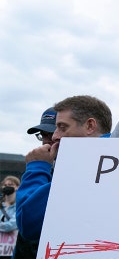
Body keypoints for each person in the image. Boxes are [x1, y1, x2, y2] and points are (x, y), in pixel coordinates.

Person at [16, 96, 112, 241]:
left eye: (62, 127)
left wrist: (37, 168)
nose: (54, 136)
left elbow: (29, 224)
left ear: (90, 126)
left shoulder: (80, 170)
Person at [2, 107, 57, 259]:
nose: (48, 141)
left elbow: (28, 222)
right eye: (44, 135)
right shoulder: (44, 169)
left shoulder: (43, 169)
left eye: (56, 132)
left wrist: (36, 167)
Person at [0, 176, 19, 259]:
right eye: (5, 185)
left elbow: (12, 225)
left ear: (17, 187)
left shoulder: (19, 206)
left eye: (10, 185)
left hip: (11, 248)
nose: (7, 187)